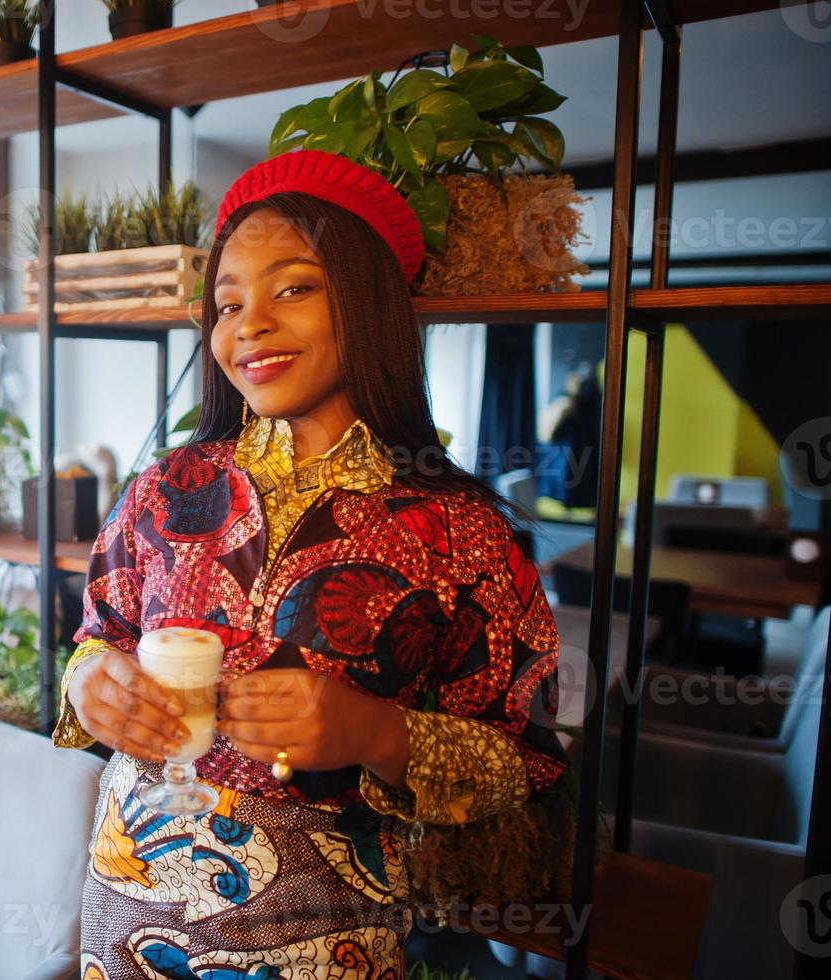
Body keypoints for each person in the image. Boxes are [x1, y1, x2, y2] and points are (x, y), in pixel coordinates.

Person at [52, 150, 568, 979]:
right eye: (227, 303)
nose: (248, 324)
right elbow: (94, 638)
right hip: (124, 901)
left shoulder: (461, 530)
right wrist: (88, 683)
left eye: (292, 287)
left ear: (365, 305)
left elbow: (522, 767)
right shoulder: (164, 489)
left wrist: (374, 731)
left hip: (319, 939)